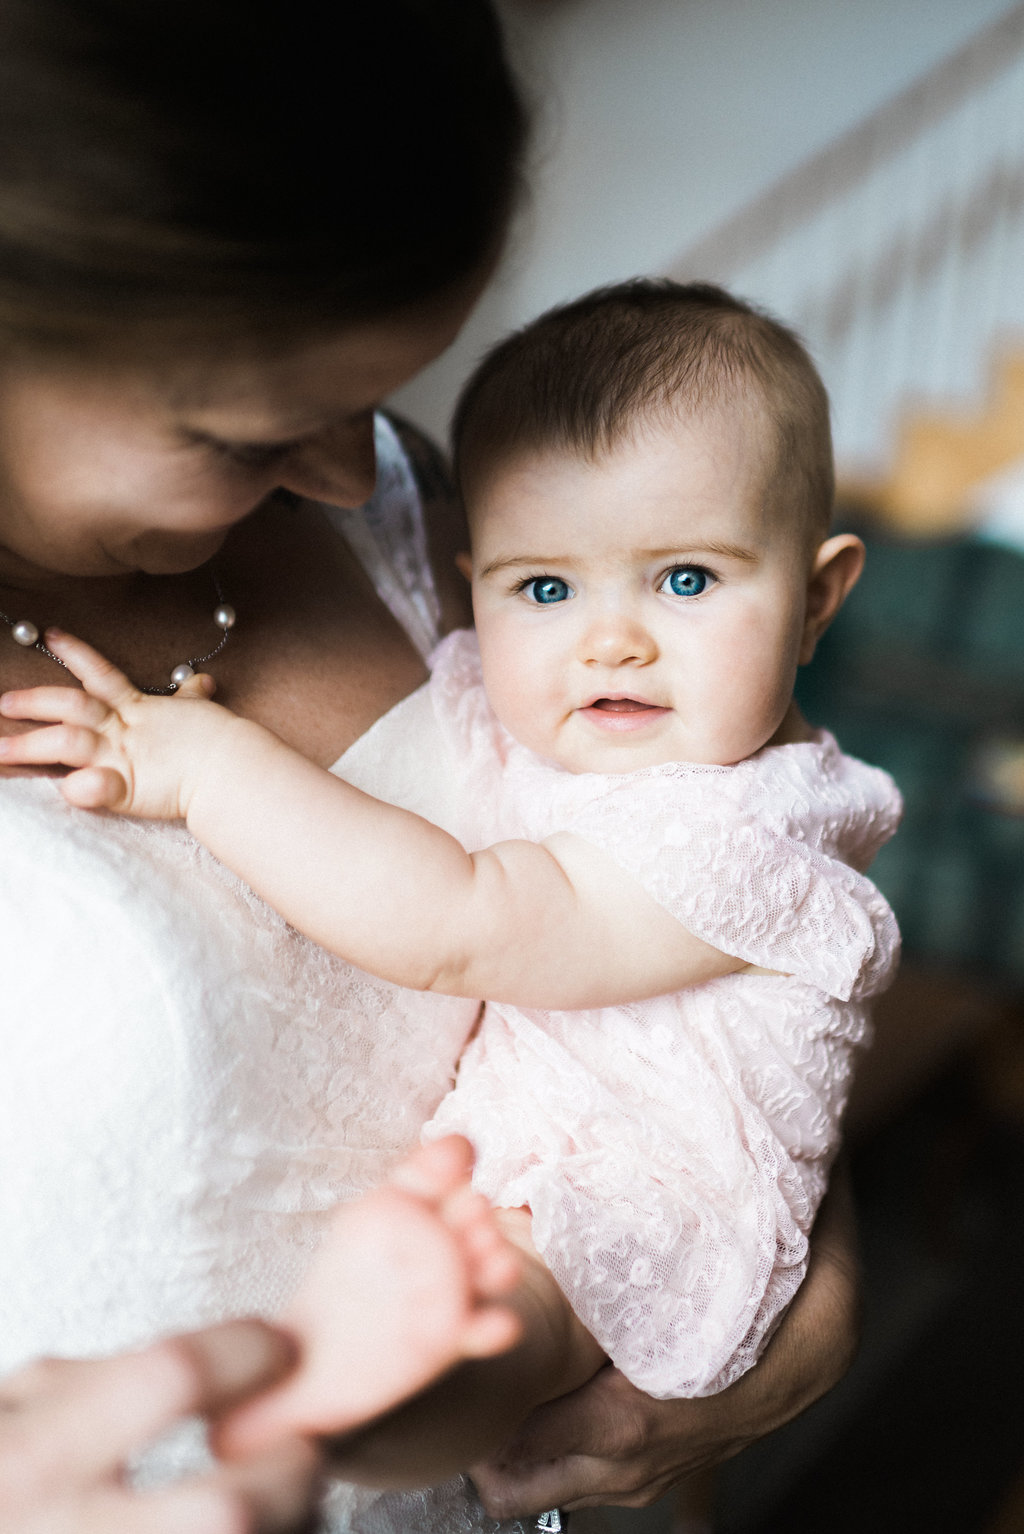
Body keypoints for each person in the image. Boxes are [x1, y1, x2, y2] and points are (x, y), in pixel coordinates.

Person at [0, 0, 862, 1524]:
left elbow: (709, 896)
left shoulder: (412, 504)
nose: (353, 469)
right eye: (242, 429)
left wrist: (807, 1260)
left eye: (373, 392)